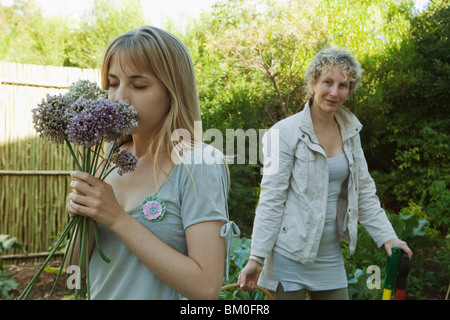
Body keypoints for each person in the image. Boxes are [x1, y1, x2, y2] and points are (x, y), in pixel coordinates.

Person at [66, 26, 239, 300]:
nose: (119, 97)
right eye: (112, 83)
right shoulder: (107, 160)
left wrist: (118, 219)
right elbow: (73, 273)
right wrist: (82, 217)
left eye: (138, 85)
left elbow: (207, 288)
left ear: (173, 91)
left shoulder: (197, 164)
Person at [238, 48, 412, 300]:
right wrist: (257, 257)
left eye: (343, 85)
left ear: (350, 90)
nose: (334, 92)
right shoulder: (283, 133)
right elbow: (271, 199)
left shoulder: (351, 133)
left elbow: (364, 192)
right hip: (289, 258)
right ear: (313, 82)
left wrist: (388, 238)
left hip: (330, 256)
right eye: (327, 82)